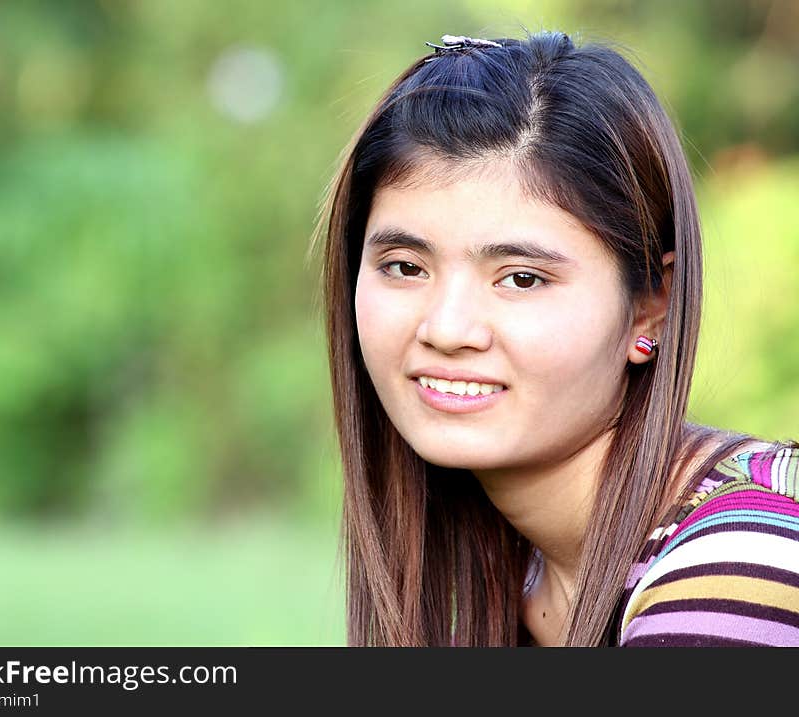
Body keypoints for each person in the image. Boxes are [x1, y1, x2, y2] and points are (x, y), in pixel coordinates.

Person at [310, 31, 799, 646]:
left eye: (520, 278)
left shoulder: (741, 567)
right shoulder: (517, 571)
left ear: (652, 308)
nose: (447, 329)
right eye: (406, 266)